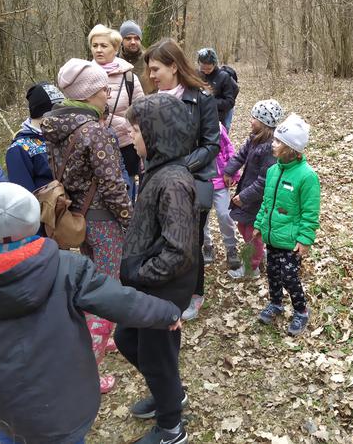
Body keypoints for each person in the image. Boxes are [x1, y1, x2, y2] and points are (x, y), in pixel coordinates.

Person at [0, 182, 182, 444]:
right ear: (32, 217)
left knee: (13, 436)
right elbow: (121, 302)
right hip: (64, 402)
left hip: (4, 404)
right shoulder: (68, 267)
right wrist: (167, 313)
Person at [42, 58, 133, 393]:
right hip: (103, 220)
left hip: (77, 218)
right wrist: (129, 219)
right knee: (106, 289)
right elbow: (112, 184)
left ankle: (102, 335)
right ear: (89, 92)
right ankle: (89, 370)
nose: (108, 93)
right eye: (102, 88)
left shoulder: (53, 126)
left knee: (92, 276)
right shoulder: (95, 130)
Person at [115, 94, 197, 444]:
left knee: (157, 355)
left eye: (136, 130)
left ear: (157, 133)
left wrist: (139, 275)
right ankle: (170, 393)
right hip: (149, 282)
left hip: (163, 287)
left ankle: (170, 427)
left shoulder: (173, 182)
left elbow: (178, 250)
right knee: (126, 338)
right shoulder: (156, 170)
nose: (132, 137)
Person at [143, 38, 220, 322]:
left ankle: (193, 293)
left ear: (173, 66)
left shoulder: (202, 98)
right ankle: (166, 288)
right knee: (163, 238)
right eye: (149, 70)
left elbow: (211, 144)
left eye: (155, 69)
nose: (151, 76)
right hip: (157, 184)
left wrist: (179, 167)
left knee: (190, 242)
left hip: (192, 182)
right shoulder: (150, 101)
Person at [254, 114, 320, 336]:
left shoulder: (307, 176)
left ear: (291, 148)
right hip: (272, 236)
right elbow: (266, 203)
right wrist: (259, 224)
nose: (273, 144)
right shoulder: (273, 171)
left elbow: (310, 212)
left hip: (291, 240)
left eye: (278, 142)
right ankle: (276, 303)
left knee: (289, 276)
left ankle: (300, 310)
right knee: (272, 272)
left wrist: (304, 239)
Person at [224, 99, 284, 279]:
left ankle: (252, 267)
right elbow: (240, 155)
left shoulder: (269, 149)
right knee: (243, 226)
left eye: (255, 118)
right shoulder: (254, 139)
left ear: (265, 123)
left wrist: (244, 197)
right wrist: (229, 171)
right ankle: (259, 253)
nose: (251, 120)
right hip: (248, 193)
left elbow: (264, 181)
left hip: (257, 200)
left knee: (252, 233)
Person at [89, 24, 144, 199]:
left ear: (115, 48)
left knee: (127, 195)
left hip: (125, 145)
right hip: (94, 145)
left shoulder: (129, 77)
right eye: (94, 45)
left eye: (103, 46)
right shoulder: (83, 76)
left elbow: (141, 113)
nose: (98, 50)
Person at [5, 82, 64, 192]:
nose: (63, 117)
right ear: (44, 114)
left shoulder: (62, 136)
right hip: (46, 206)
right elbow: (23, 194)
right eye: (58, 112)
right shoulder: (20, 149)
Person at [202, 122, 241, 270]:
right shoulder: (189, 126)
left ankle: (231, 248)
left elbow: (229, 149)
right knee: (202, 217)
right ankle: (207, 245)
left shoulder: (217, 127)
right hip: (200, 180)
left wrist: (231, 172)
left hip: (219, 180)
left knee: (225, 214)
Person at [197, 48, 238, 131]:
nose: (205, 71)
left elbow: (230, 102)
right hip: (204, 117)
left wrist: (209, 101)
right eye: (202, 68)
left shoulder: (224, 77)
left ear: (214, 64)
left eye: (208, 69)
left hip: (220, 117)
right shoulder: (197, 74)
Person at [119, 20, 156, 94]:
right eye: (128, 38)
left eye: (136, 38)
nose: (133, 42)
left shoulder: (150, 59)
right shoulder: (114, 61)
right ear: (121, 41)